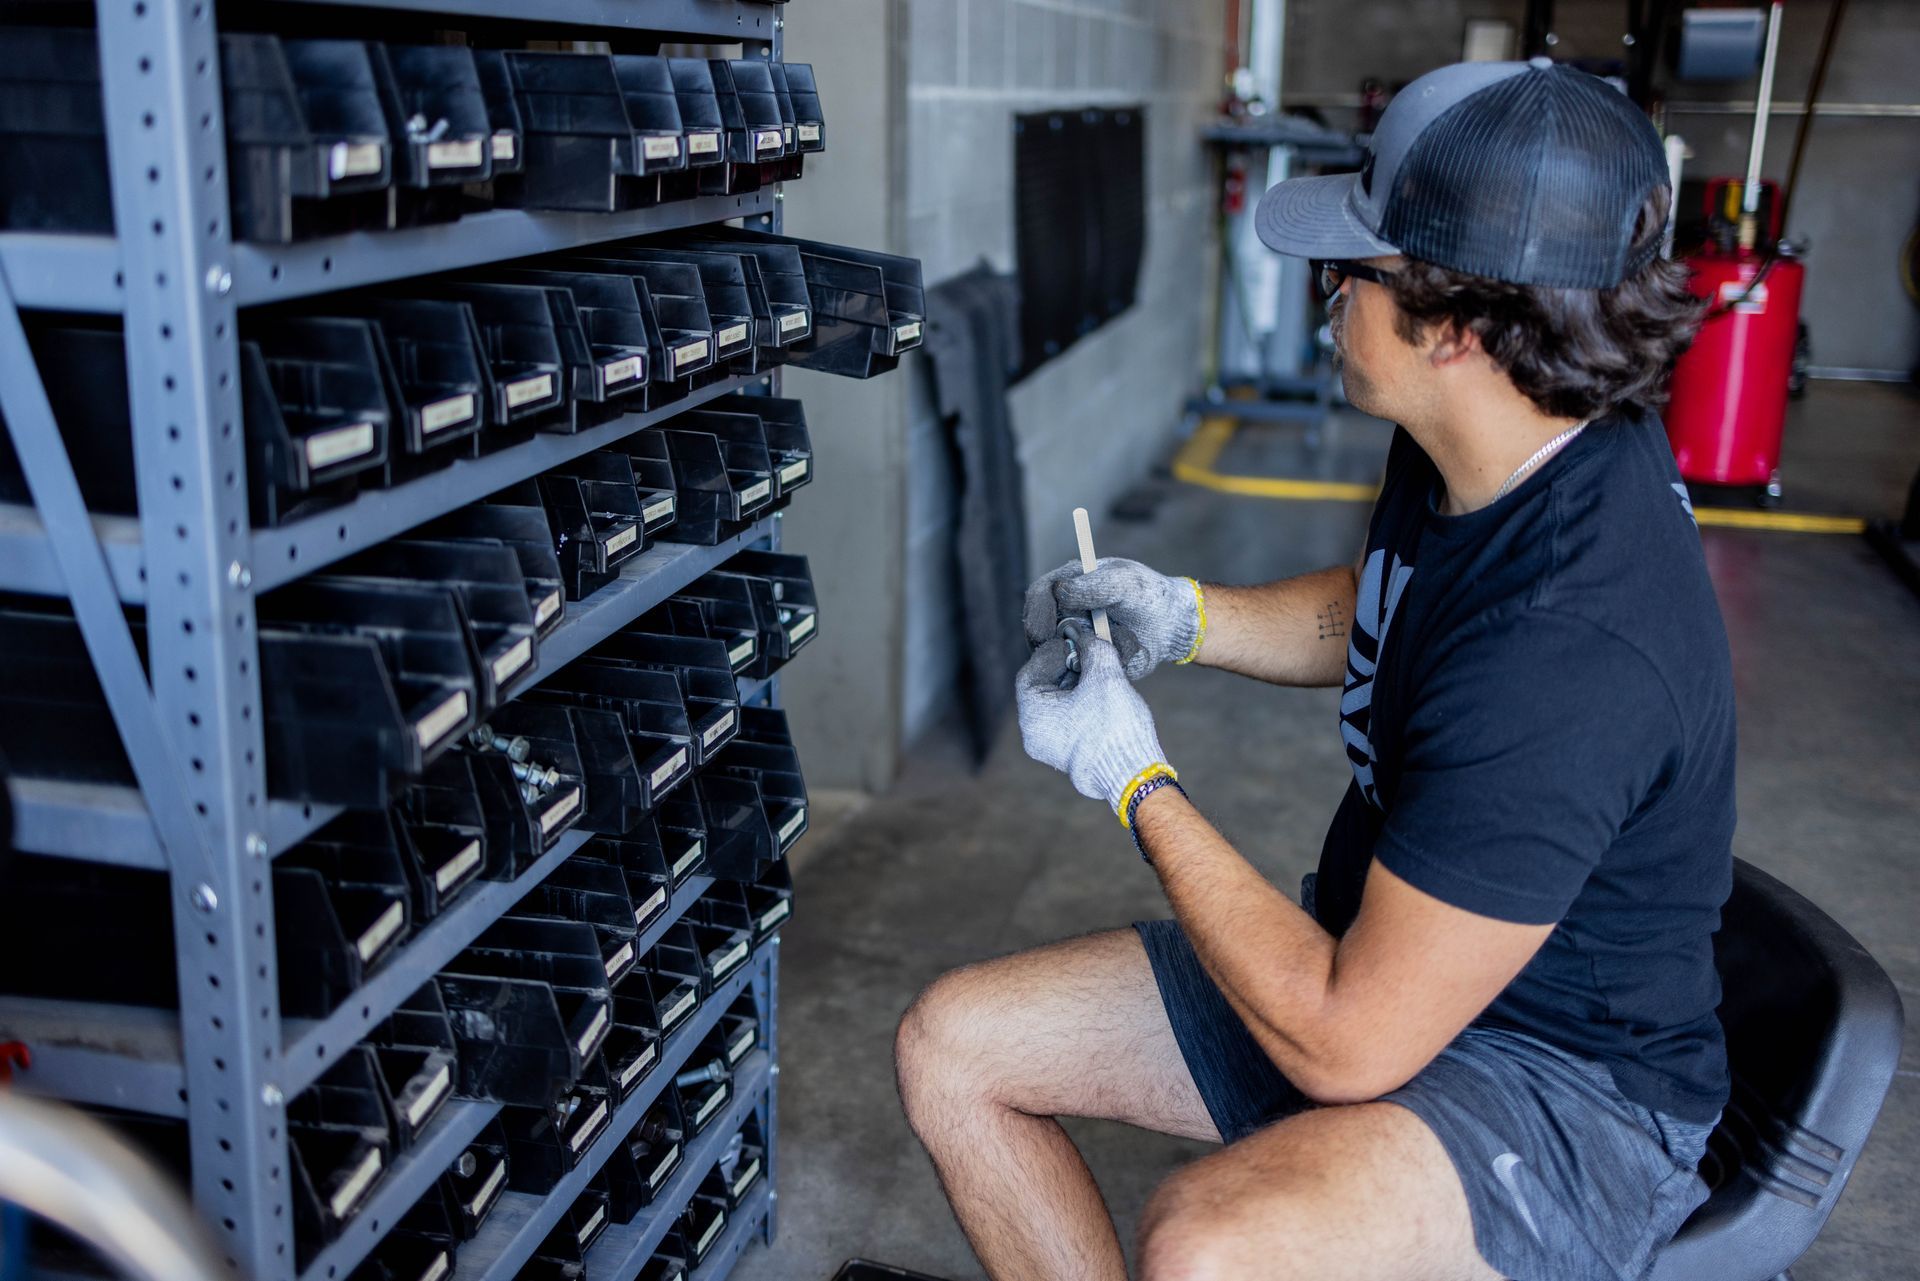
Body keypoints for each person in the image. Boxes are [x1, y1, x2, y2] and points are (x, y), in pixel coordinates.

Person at [894, 59, 1732, 1281]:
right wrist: (1180, 617)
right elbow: (1387, 608)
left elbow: (1345, 1042)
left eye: (1361, 271)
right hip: (1386, 958)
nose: (1329, 293)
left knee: (1210, 1246)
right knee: (952, 1047)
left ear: (1458, 325)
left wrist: (1136, 778)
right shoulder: (1499, 432)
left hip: (1565, 1090)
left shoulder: (1574, 645)